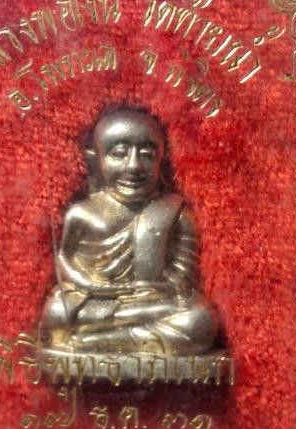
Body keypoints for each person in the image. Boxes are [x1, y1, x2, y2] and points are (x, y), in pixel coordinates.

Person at [40, 107, 219, 355]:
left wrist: (163, 287)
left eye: (146, 155)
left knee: (200, 320)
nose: (134, 166)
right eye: (119, 154)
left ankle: (95, 342)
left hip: (154, 301)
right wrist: (92, 287)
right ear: (94, 160)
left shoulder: (174, 212)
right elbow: (64, 260)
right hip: (95, 301)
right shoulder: (82, 213)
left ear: (161, 161)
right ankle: (121, 339)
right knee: (56, 313)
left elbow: (184, 273)